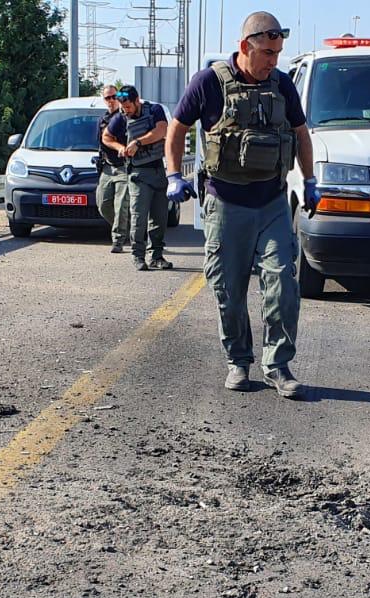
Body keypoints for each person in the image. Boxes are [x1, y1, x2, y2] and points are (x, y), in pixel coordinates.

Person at [162, 11, 317, 399]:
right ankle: (238, 359)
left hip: (272, 203)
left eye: (278, 52)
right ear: (245, 46)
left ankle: (278, 365)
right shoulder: (209, 83)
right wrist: (172, 175)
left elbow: (300, 133)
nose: (273, 61)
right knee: (228, 290)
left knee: (282, 282)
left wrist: (310, 179)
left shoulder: (282, 85)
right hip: (226, 204)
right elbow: (177, 128)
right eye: (267, 52)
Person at [103, 85, 172, 271]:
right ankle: (138, 256)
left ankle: (157, 256)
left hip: (157, 171)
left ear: (137, 100)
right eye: (123, 107)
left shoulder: (154, 110)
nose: (126, 110)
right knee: (139, 218)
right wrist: (119, 148)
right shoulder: (120, 118)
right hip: (138, 174)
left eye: (129, 107)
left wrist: (138, 142)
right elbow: (106, 136)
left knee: (159, 218)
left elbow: (162, 130)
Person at [95, 85, 131, 255]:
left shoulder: (126, 116)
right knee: (102, 204)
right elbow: (100, 144)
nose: (110, 100)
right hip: (108, 167)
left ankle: (118, 240)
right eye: (107, 98)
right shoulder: (102, 120)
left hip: (123, 166)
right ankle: (128, 227)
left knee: (121, 204)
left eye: (113, 97)